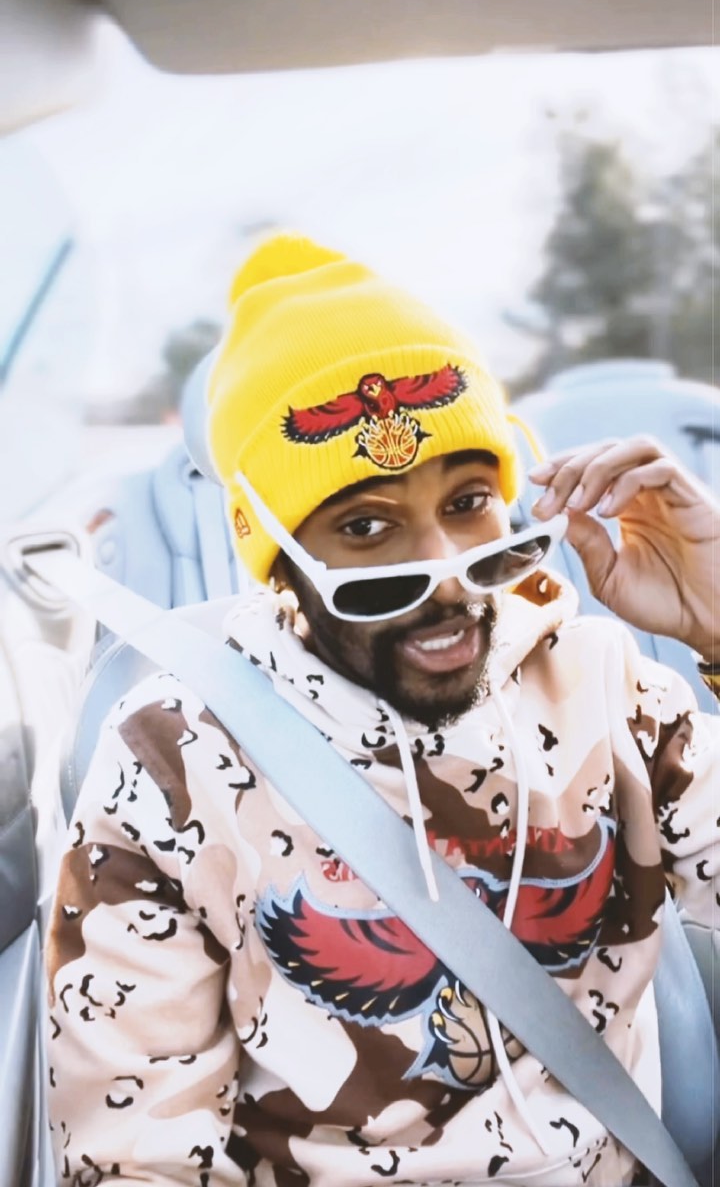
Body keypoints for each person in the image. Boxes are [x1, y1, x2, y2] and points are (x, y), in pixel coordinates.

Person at [46, 234, 718, 1187]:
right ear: (281, 560)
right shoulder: (169, 764)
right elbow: (135, 1152)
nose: (446, 575)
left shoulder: (607, 687)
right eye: (365, 526)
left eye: (470, 500)